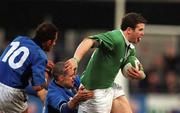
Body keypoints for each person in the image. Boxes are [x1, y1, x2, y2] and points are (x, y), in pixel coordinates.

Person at [65, 12, 147, 113]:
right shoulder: (115, 38)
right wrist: (75, 59)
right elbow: (89, 40)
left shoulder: (130, 48)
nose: (143, 33)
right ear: (129, 30)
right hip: (94, 92)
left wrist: (141, 75)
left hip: (110, 87)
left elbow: (138, 68)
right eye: (140, 30)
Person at [0, 21, 59, 113]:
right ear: (48, 42)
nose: (54, 43)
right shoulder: (40, 55)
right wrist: (46, 72)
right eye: (54, 41)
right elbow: (37, 87)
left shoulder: (19, 39)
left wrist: (42, 64)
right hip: (11, 93)